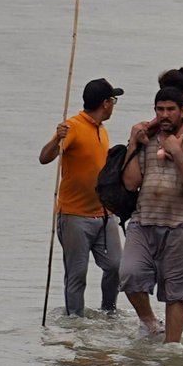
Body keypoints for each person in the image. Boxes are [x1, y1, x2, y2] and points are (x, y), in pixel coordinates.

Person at [118, 87, 183, 342]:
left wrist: (176, 152)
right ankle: (150, 322)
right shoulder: (147, 138)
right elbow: (131, 184)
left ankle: (171, 348)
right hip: (143, 220)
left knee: (176, 294)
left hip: (182, 224)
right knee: (129, 274)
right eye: (159, 110)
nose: (164, 115)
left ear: (182, 111)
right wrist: (132, 143)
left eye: (170, 110)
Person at [38, 77, 125, 316]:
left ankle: (109, 312)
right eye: (113, 100)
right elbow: (45, 158)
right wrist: (57, 138)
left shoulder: (102, 130)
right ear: (105, 103)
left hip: (105, 215)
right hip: (74, 215)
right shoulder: (73, 126)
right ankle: (75, 321)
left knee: (117, 267)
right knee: (77, 275)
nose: (114, 105)